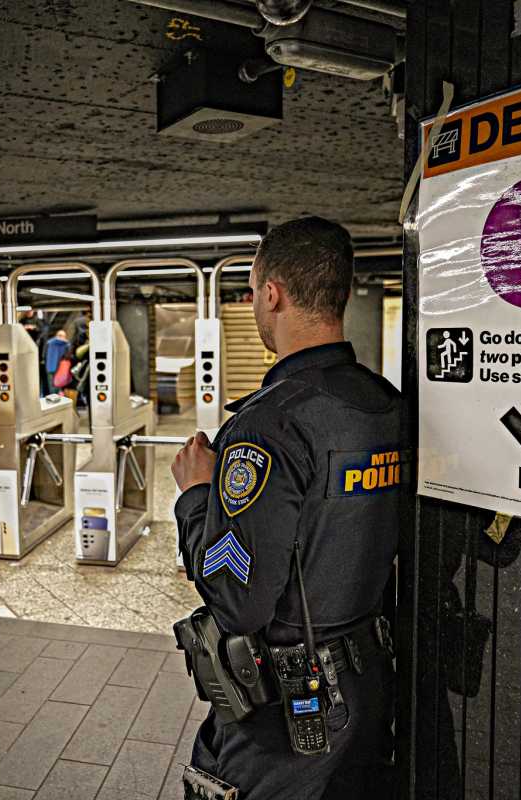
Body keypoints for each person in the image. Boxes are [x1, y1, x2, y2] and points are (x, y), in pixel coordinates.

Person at [172, 217, 404, 799]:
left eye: (251, 293)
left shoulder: (268, 426)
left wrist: (198, 494)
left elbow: (237, 597)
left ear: (271, 294)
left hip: (290, 714)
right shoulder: (385, 405)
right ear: (342, 294)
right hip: (368, 686)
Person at [44, 330, 71, 395]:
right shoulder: (67, 344)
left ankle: (53, 399)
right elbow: (68, 356)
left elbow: (44, 354)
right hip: (61, 368)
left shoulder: (49, 343)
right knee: (59, 384)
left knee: (51, 386)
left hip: (50, 367)